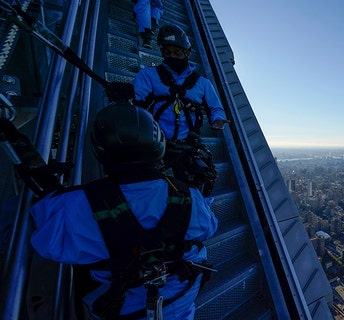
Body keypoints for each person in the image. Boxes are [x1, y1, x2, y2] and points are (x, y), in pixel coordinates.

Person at [30, 104, 218, 319]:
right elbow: (208, 228)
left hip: (122, 308)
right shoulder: (188, 196)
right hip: (180, 300)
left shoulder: (70, 207)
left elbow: (46, 241)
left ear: (100, 150)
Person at [132, 23, 228, 196]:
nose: (172, 57)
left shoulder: (202, 83)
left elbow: (215, 107)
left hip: (186, 141)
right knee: (146, 184)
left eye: (177, 53)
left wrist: (218, 119)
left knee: (201, 179)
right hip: (155, 140)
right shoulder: (149, 75)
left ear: (187, 53)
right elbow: (138, 101)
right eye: (167, 53)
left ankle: (194, 212)